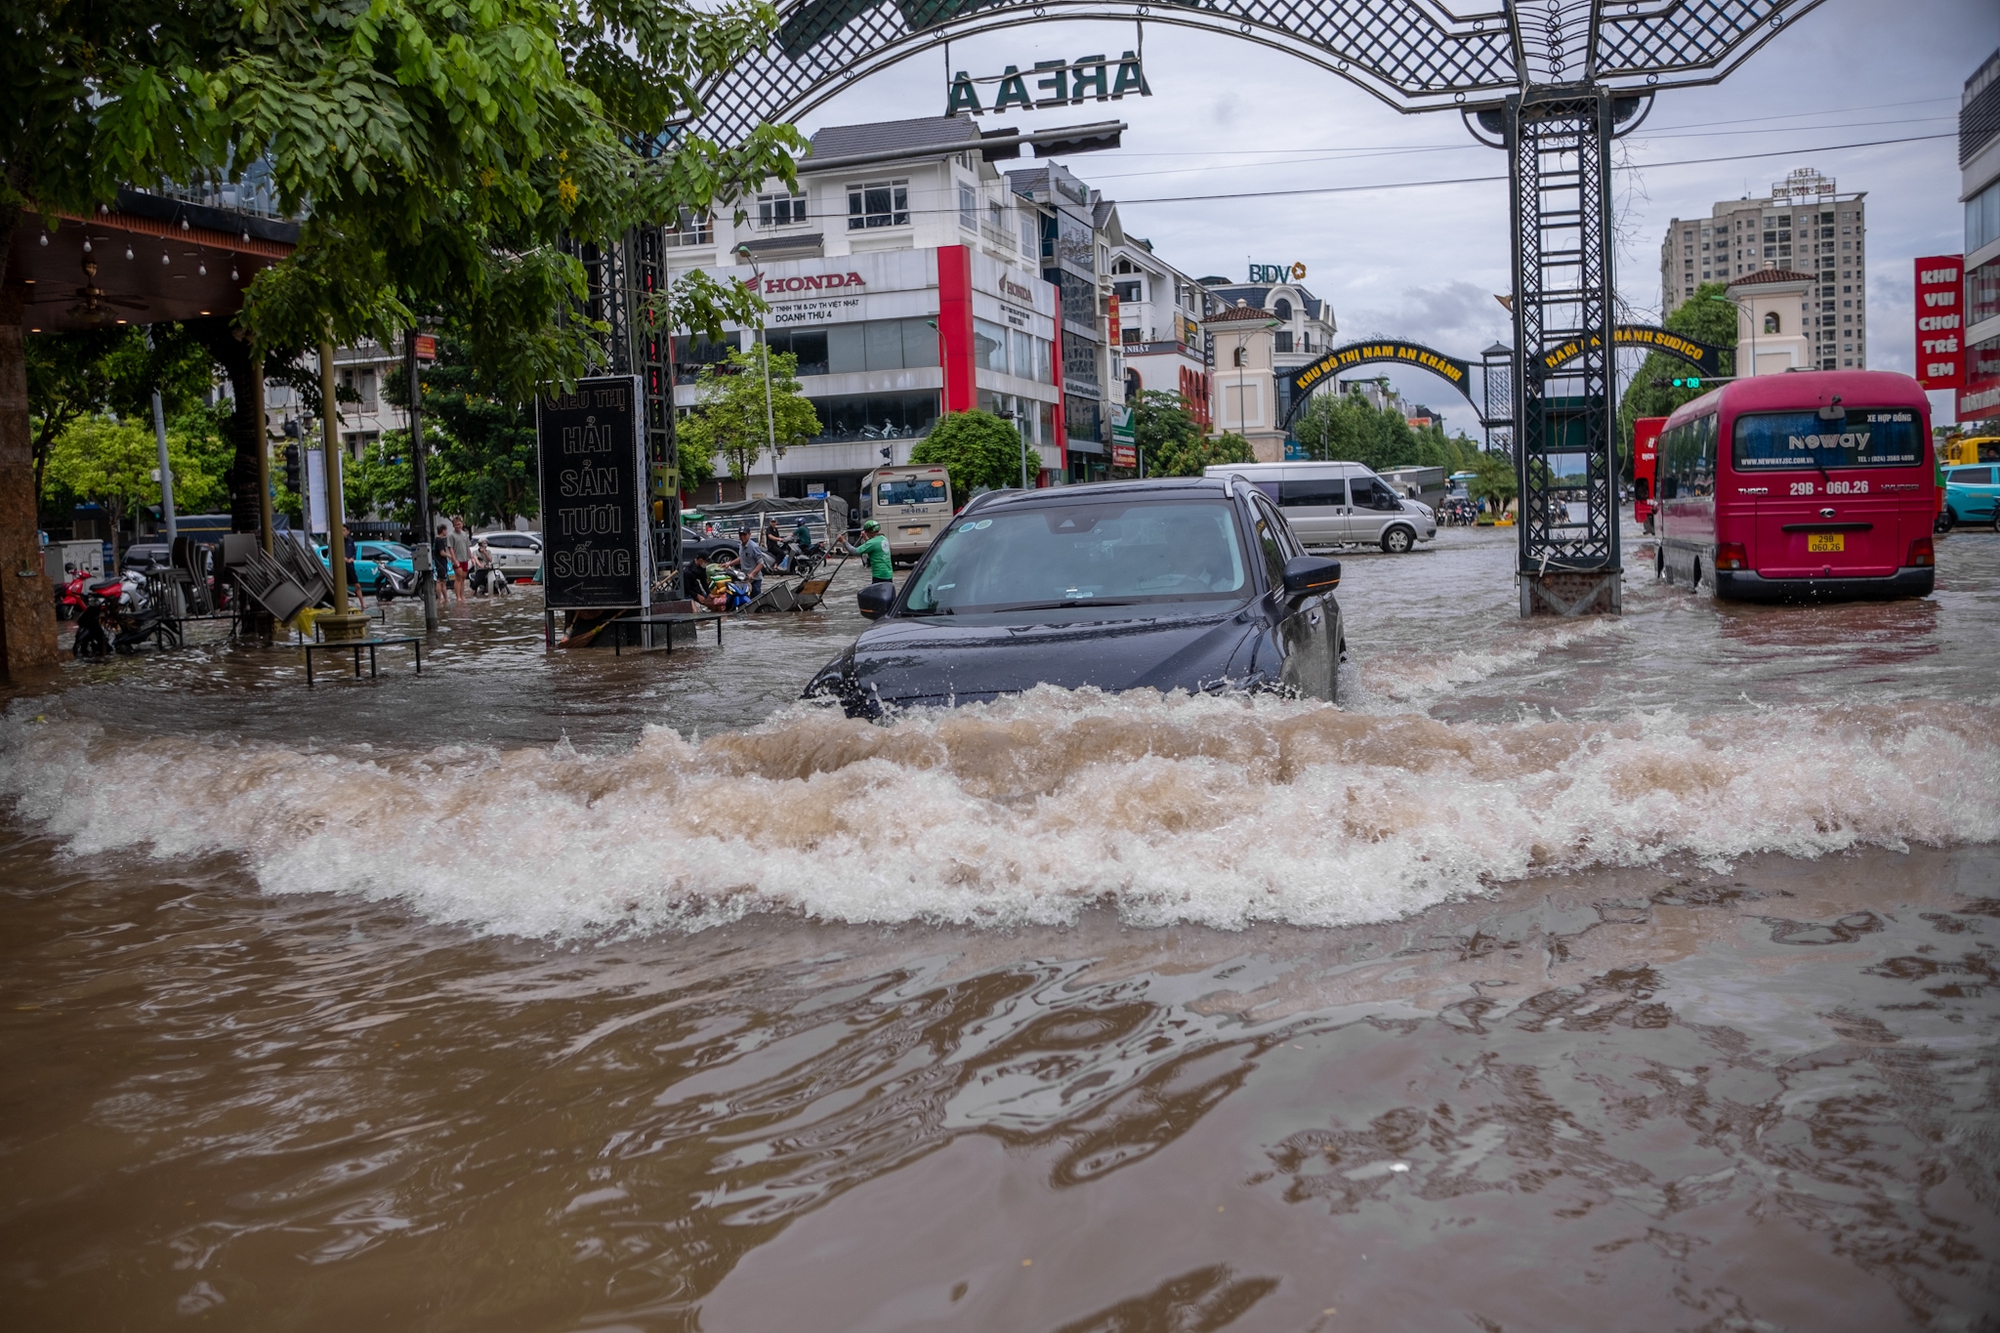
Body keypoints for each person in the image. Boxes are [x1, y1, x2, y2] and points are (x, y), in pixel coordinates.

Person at [850, 518, 893, 584]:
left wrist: (843, 541)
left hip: (879, 576)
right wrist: (867, 539)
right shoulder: (883, 538)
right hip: (888, 574)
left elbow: (854, 551)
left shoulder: (872, 543)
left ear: (868, 532)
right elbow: (874, 546)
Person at [448, 516, 471, 604]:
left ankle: (462, 596)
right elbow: (450, 549)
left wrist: (471, 557)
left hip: (465, 558)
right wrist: (454, 560)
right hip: (457, 559)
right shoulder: (451, 535)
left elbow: (468, 546)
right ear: (453, 525)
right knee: (458, 577)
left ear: (462, 524)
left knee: (463, 578)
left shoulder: (465, 534)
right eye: (456, 525)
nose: (458, 526)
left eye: (459, 524)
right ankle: (458, 597)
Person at [432, 521, 455, 606]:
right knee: (440, 581)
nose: (446, 532)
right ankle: (441, 599)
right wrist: (450, 556)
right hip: (440, 562)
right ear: (442, 530)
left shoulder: (436, 540)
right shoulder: (439, 540)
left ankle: (444, 598)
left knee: (442, 581)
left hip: (439, 562)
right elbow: (442, 552)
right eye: (446, 530)